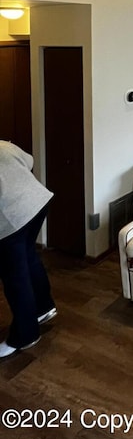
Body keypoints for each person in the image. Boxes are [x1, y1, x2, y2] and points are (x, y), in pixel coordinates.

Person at [0, 140, 56, 358]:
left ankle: (25, 335)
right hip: (38, 202)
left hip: (12, 218)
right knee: (29, 257)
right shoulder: (3, 145)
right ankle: (43, 307)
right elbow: (29, 161)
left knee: (15, 276)